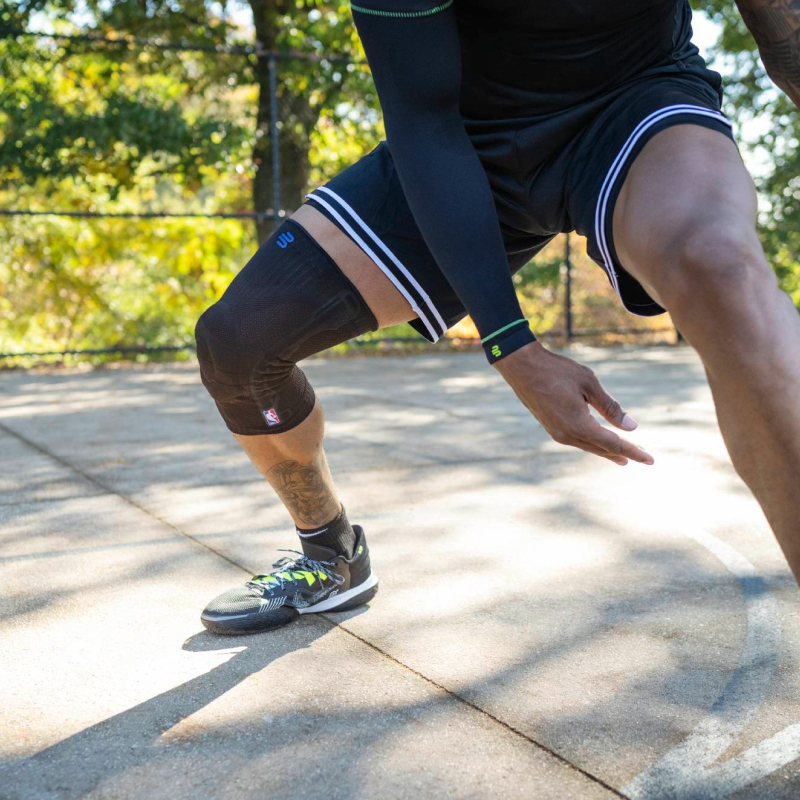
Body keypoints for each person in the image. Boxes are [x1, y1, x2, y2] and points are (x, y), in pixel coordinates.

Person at [195, 0, 800, 635]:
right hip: (462, 137)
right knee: (237, 346)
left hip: (635, 106)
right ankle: (331, 555)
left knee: (716, 267)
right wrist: (512, 344)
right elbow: (424, 121)